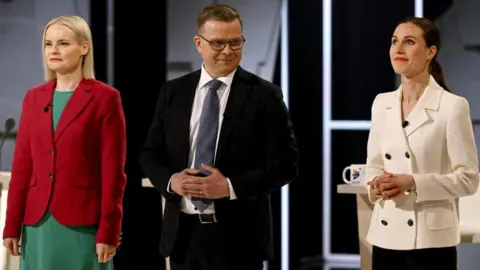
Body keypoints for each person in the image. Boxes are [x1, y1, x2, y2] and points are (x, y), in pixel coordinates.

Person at [140, 3, 299, 270]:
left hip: (239, 239)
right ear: (198, 43)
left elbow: (286, 165)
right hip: (183, 235)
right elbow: (150, 153)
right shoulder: (173, 92)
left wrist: (229, 187)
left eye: (235, 42)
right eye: (218, 43)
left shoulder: (265, 95)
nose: (228, 51)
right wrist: (172, 181)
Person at [2, 15, 127, 270]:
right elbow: (23, 167)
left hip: (83, 225)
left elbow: (113, 173)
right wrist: (11, 226)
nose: (54, 50)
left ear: (84, 47)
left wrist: (109, 231)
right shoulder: (33, 98)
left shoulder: (105, 98)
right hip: (37, 225)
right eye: (48, 44)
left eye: (63, 43)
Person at [364, 17, 479, 270]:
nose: (398, 48)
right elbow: (373, 165)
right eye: (395, 41)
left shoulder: (452, 106)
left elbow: (468, 179)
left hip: (432, 241)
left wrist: (413, 182)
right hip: (385, 235)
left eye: (409, 42)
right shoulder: (381, 103)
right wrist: (375, 185)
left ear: (430, 52)